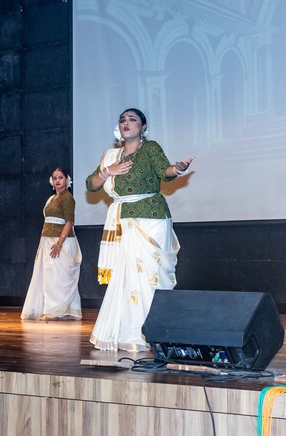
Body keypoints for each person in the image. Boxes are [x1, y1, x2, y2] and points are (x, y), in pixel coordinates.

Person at [86, 108, 194, 351]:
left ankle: (158, 329)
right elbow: (91, 184)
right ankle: (131, 332)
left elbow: (165, 172)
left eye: (132, 120)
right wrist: (108, 171)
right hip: (123, 220)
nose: (126, 123)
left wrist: (178, 169)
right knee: (127, 278)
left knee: (151, 276)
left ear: (143, 127)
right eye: (122, 120)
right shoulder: (111, 156)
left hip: (152, 219)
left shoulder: (151, 148)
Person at [21, 167, 82, 321]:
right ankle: (60, 310)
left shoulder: (67, 197)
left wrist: (59, 244)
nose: (57, 181)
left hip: (61, 242)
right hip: (48, 240)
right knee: (50, 277)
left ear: (67, 180)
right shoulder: (52, 199)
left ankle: (54, 312)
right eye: (55, 178)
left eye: (60, 177)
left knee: (56, 278)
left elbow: (69, 222)